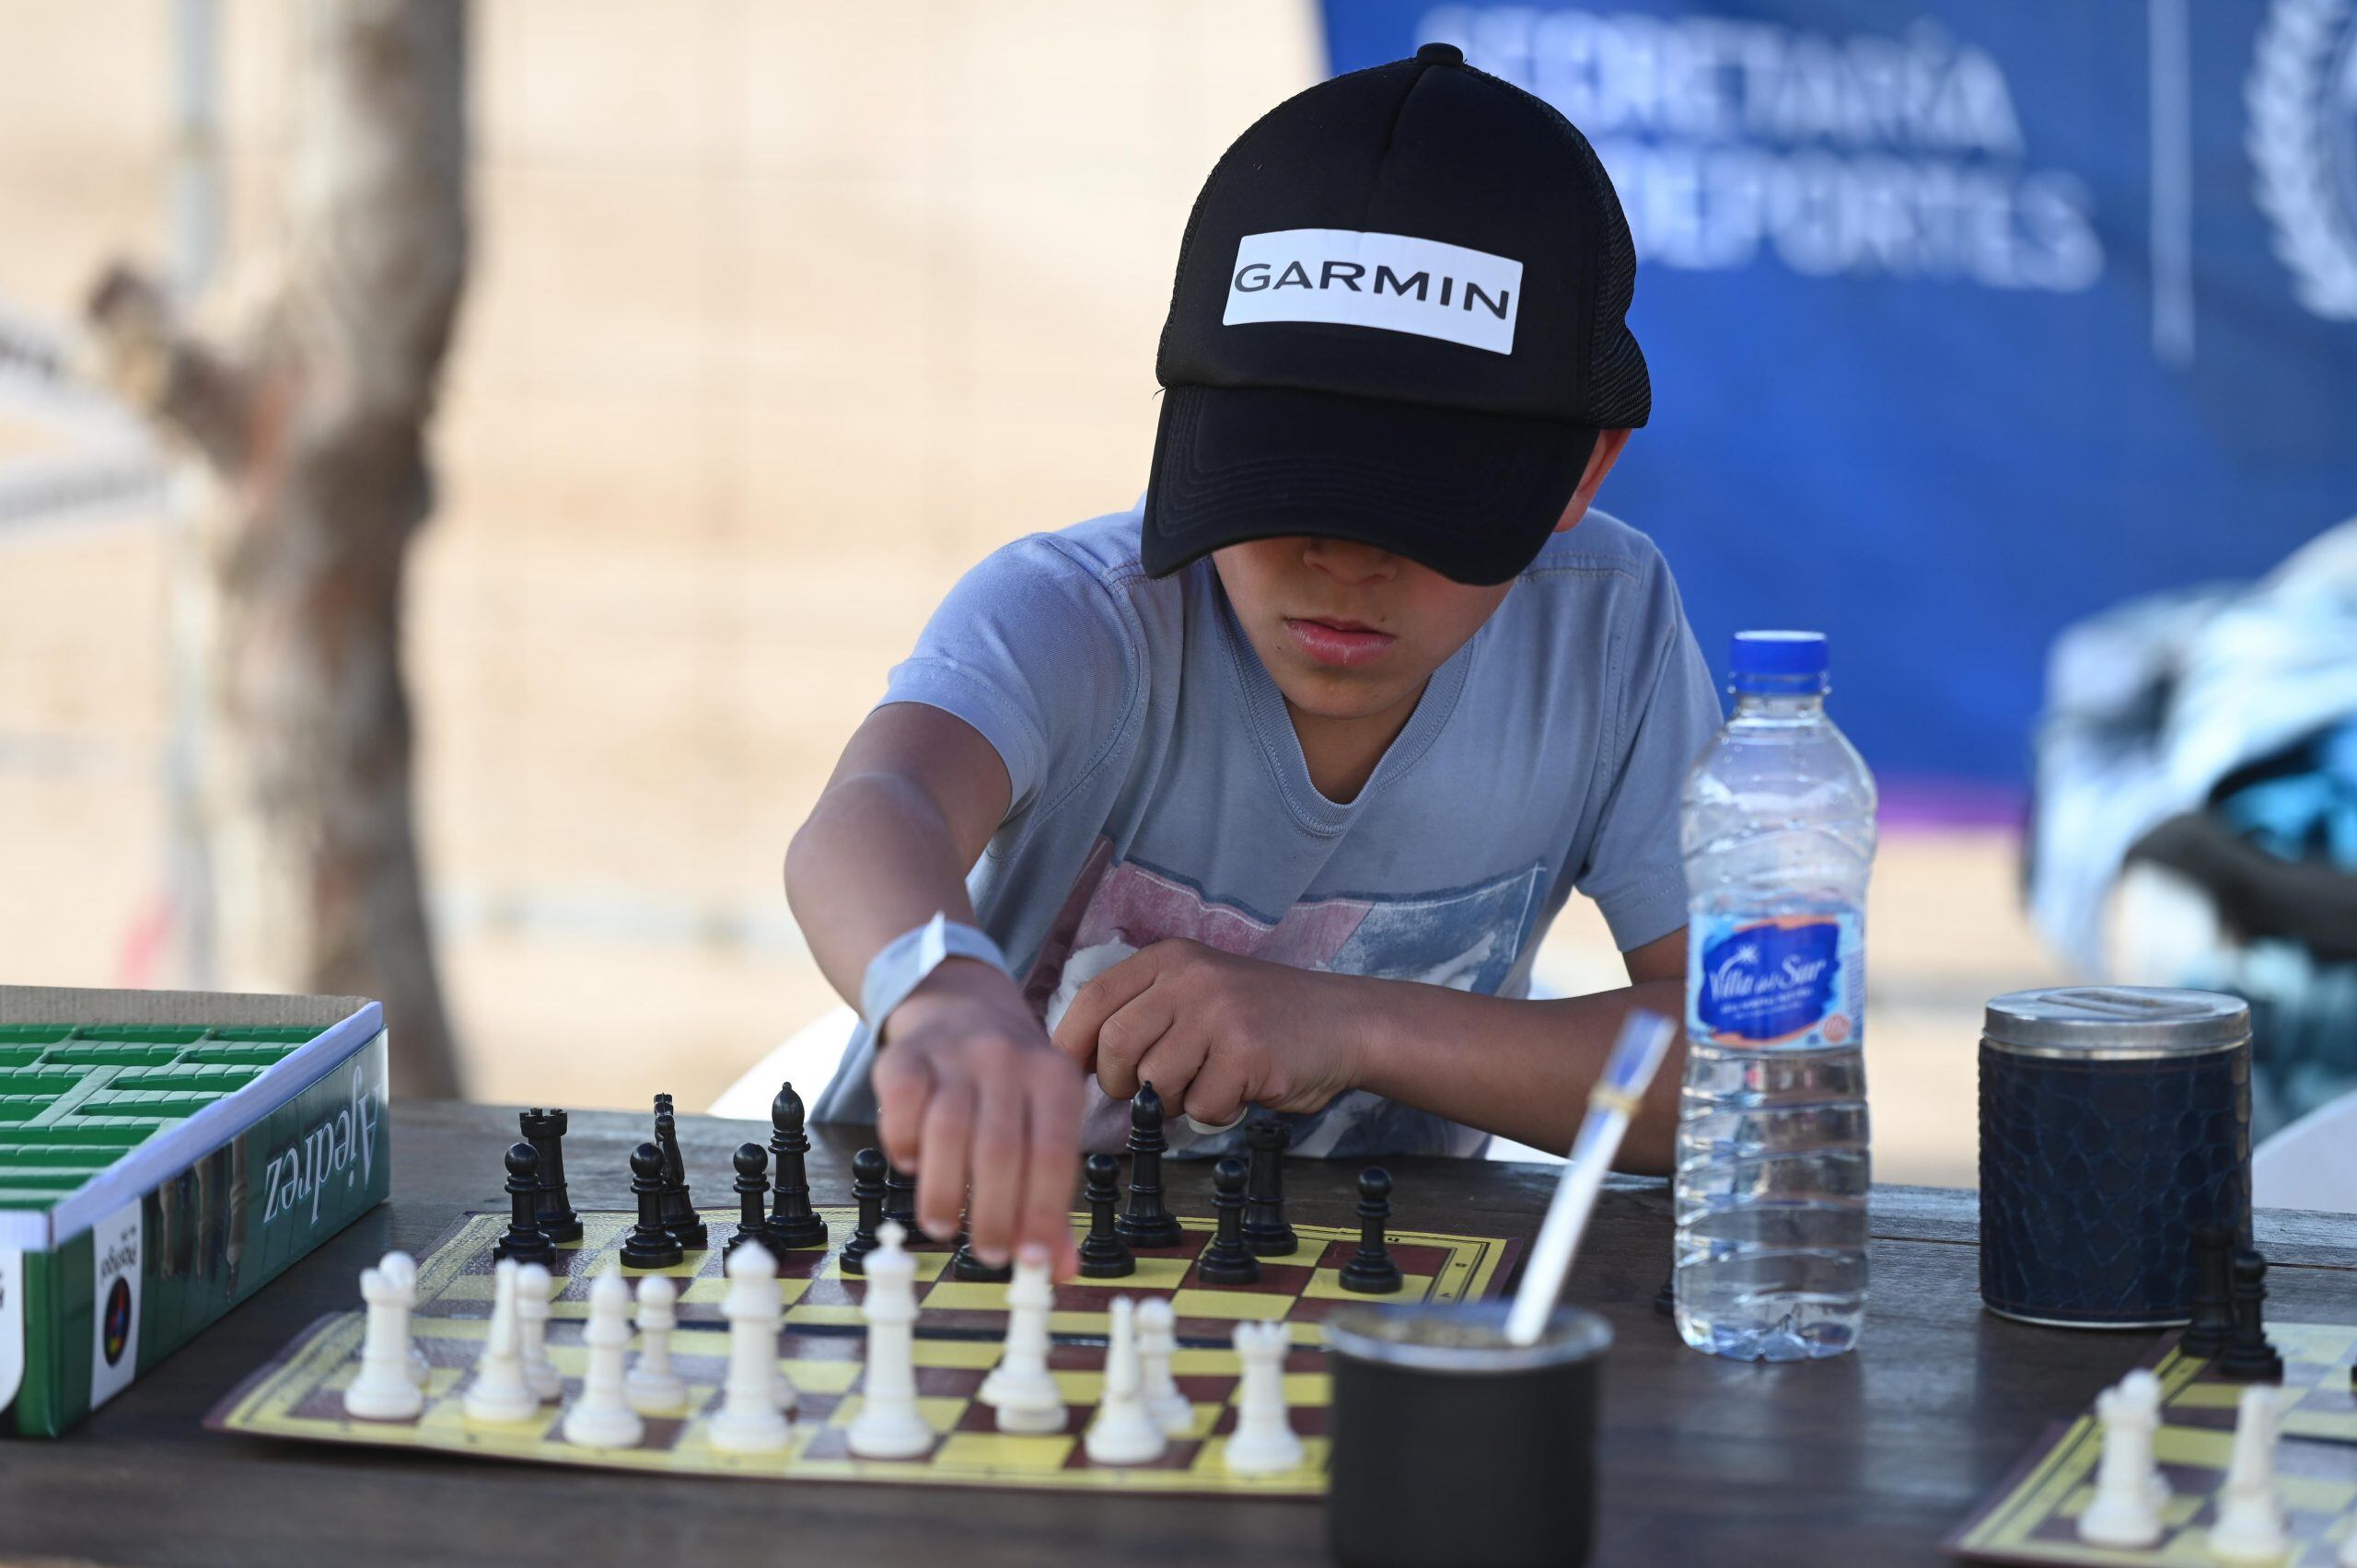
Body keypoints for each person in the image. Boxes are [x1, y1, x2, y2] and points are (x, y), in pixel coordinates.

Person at [786, 45, 1721, 1279]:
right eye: (1283, 484)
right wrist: (943, 990)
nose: (1341, 557)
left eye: (1420, 509)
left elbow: (1760, 1067)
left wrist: (1355, 1023)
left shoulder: (1612, 632)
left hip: (1364, 1313)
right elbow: (875, 807)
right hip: (973, 1279)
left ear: (1580, 474)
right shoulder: (1088, 614)